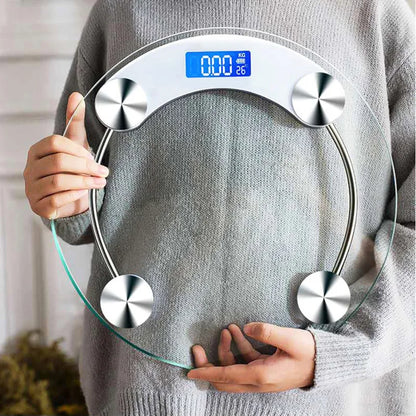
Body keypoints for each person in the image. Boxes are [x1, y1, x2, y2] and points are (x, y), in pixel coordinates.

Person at [23, 0, 414, 414]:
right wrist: (63, 192)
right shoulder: (122, 11)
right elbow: (82, 206)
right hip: (150, 394)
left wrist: (339, 352)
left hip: (329, 399)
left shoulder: (374, 15)